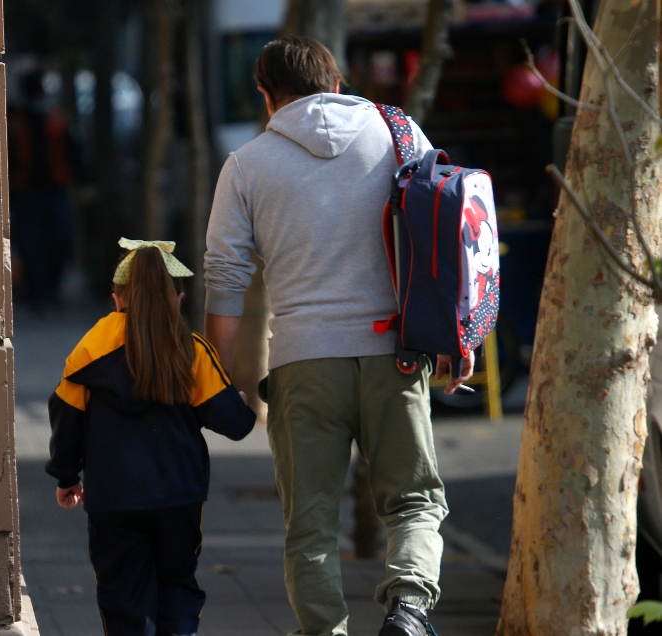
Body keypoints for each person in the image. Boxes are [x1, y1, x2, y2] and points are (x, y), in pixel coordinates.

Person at [202, 37, 474, 636]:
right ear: (337, 80)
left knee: (310, 523)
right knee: (415, 503)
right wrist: (462, 331)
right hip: (395, 356)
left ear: (266, 94)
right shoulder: (400, 133)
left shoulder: (247, 165)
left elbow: (225, 279)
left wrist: (215, 376)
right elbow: (446, 233)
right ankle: (407, 607)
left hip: (302, 363)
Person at [46, 238, 256, 636]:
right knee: (177, 587)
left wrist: (67, 476)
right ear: (176, 299)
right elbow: (236, 424)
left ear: (116, 300)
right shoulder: (191, 349)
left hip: (114, 497)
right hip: (180, 496)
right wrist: (239, 402)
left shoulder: (89, 349)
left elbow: (66, 415)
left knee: (123, 596)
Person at [7, 70, 78, 309]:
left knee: (60, 241)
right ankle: (39, 294)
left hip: (53, 191)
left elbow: (73, 153)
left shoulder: (54, 121)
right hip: (27, 194)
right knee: (32, 247)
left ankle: (50, 290)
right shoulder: (16, 122)